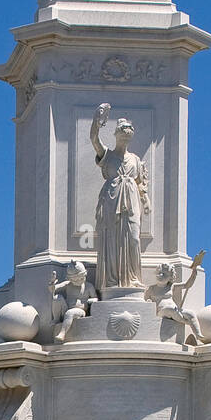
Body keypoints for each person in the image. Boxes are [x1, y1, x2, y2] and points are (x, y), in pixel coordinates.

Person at [91, 104, 151, 293]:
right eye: (122, 131)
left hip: (131, 198)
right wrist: (97, 121)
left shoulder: (135, 159)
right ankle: (112, 281)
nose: (126, 134)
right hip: (111, 197)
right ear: (116, 134)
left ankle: (132, 278)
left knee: (133, 237)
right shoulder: (107, 155)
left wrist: (146, 198)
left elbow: (141, 182)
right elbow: (94, 139)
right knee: (112, 239)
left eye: (129, 131)